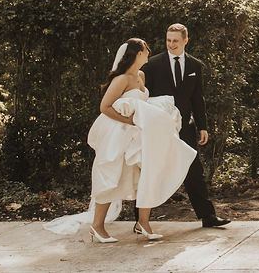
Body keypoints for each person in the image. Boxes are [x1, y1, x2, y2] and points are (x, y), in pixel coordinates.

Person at [45, 38, 197, 242]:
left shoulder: (141, 76)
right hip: (119, 133)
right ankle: (97, 227)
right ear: (136, 54)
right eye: (145, 49)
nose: (148, 52)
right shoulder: (122, 79)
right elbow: (105, 107)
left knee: (147, 172)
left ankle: (143, 224)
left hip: (138, 134)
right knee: (112, 175)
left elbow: (139, 101)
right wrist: (129, 119)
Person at [141, 23, 230, 228]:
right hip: (159, 127)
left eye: (175, 41)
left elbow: (197, 98)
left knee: (193, 170)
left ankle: (208, 217)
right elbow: (143, 96)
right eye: (168, 40)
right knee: (152, 169)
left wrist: (203, 126)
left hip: (185, 128)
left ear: (185, 41)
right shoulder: (152, 65)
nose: (171, 44)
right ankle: (140, 220)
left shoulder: (195, 65)